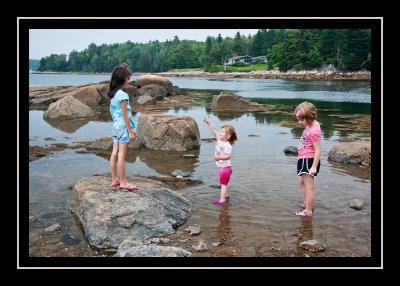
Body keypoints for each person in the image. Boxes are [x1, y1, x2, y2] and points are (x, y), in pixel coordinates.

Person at [108, 64, 138, 191]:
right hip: (123, 127)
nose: (129, 81)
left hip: (116, 126)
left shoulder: (114, 95)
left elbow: (113, 113)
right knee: (122, 155)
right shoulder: (123, 95)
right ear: (121, 79)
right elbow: (125, 115)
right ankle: (124, 182)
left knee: (114, 153)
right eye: (128, 78)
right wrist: (131, 131)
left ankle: (115, 179)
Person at [293, 102, 321, 217]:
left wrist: (314, 167)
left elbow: (318, 150)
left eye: (301, 120)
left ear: (309, 117)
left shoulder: (313, 131)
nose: (299, 122)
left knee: (309, 186)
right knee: (301, 181)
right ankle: (307, 203)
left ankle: (308, 211)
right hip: (303, 158)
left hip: (308, 160)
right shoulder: (310, 125)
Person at [204, 117, 238, 204]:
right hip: (223, 167)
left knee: (223, 184)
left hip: (225, 168)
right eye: (221, 131)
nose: (220, 132)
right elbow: (213, 130)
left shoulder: (227, 145)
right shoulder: (219, 139)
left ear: (228, 136)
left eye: (222, 131)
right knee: (226, 183)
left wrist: (218, 158)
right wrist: (208, 122)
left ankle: (222, 199)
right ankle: (226, 195)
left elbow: (228, 156)